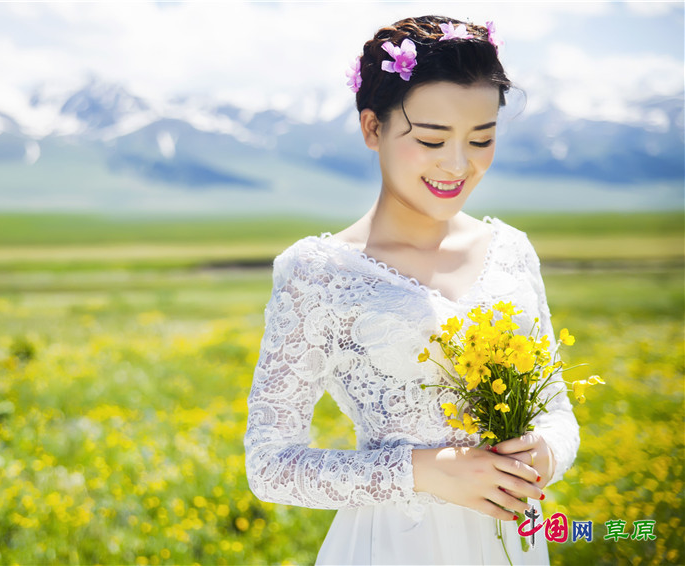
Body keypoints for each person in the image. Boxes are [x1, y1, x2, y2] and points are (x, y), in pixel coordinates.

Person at [243, 15, 580, 565]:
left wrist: (543, 452)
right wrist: (423, 471)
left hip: (514, 544)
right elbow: (271, 465)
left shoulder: (512, 251)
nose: (457, 164)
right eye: (430, 139)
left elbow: (559, 412)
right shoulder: (318, 273)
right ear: (372, 128)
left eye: (481, 138)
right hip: (390, 546)